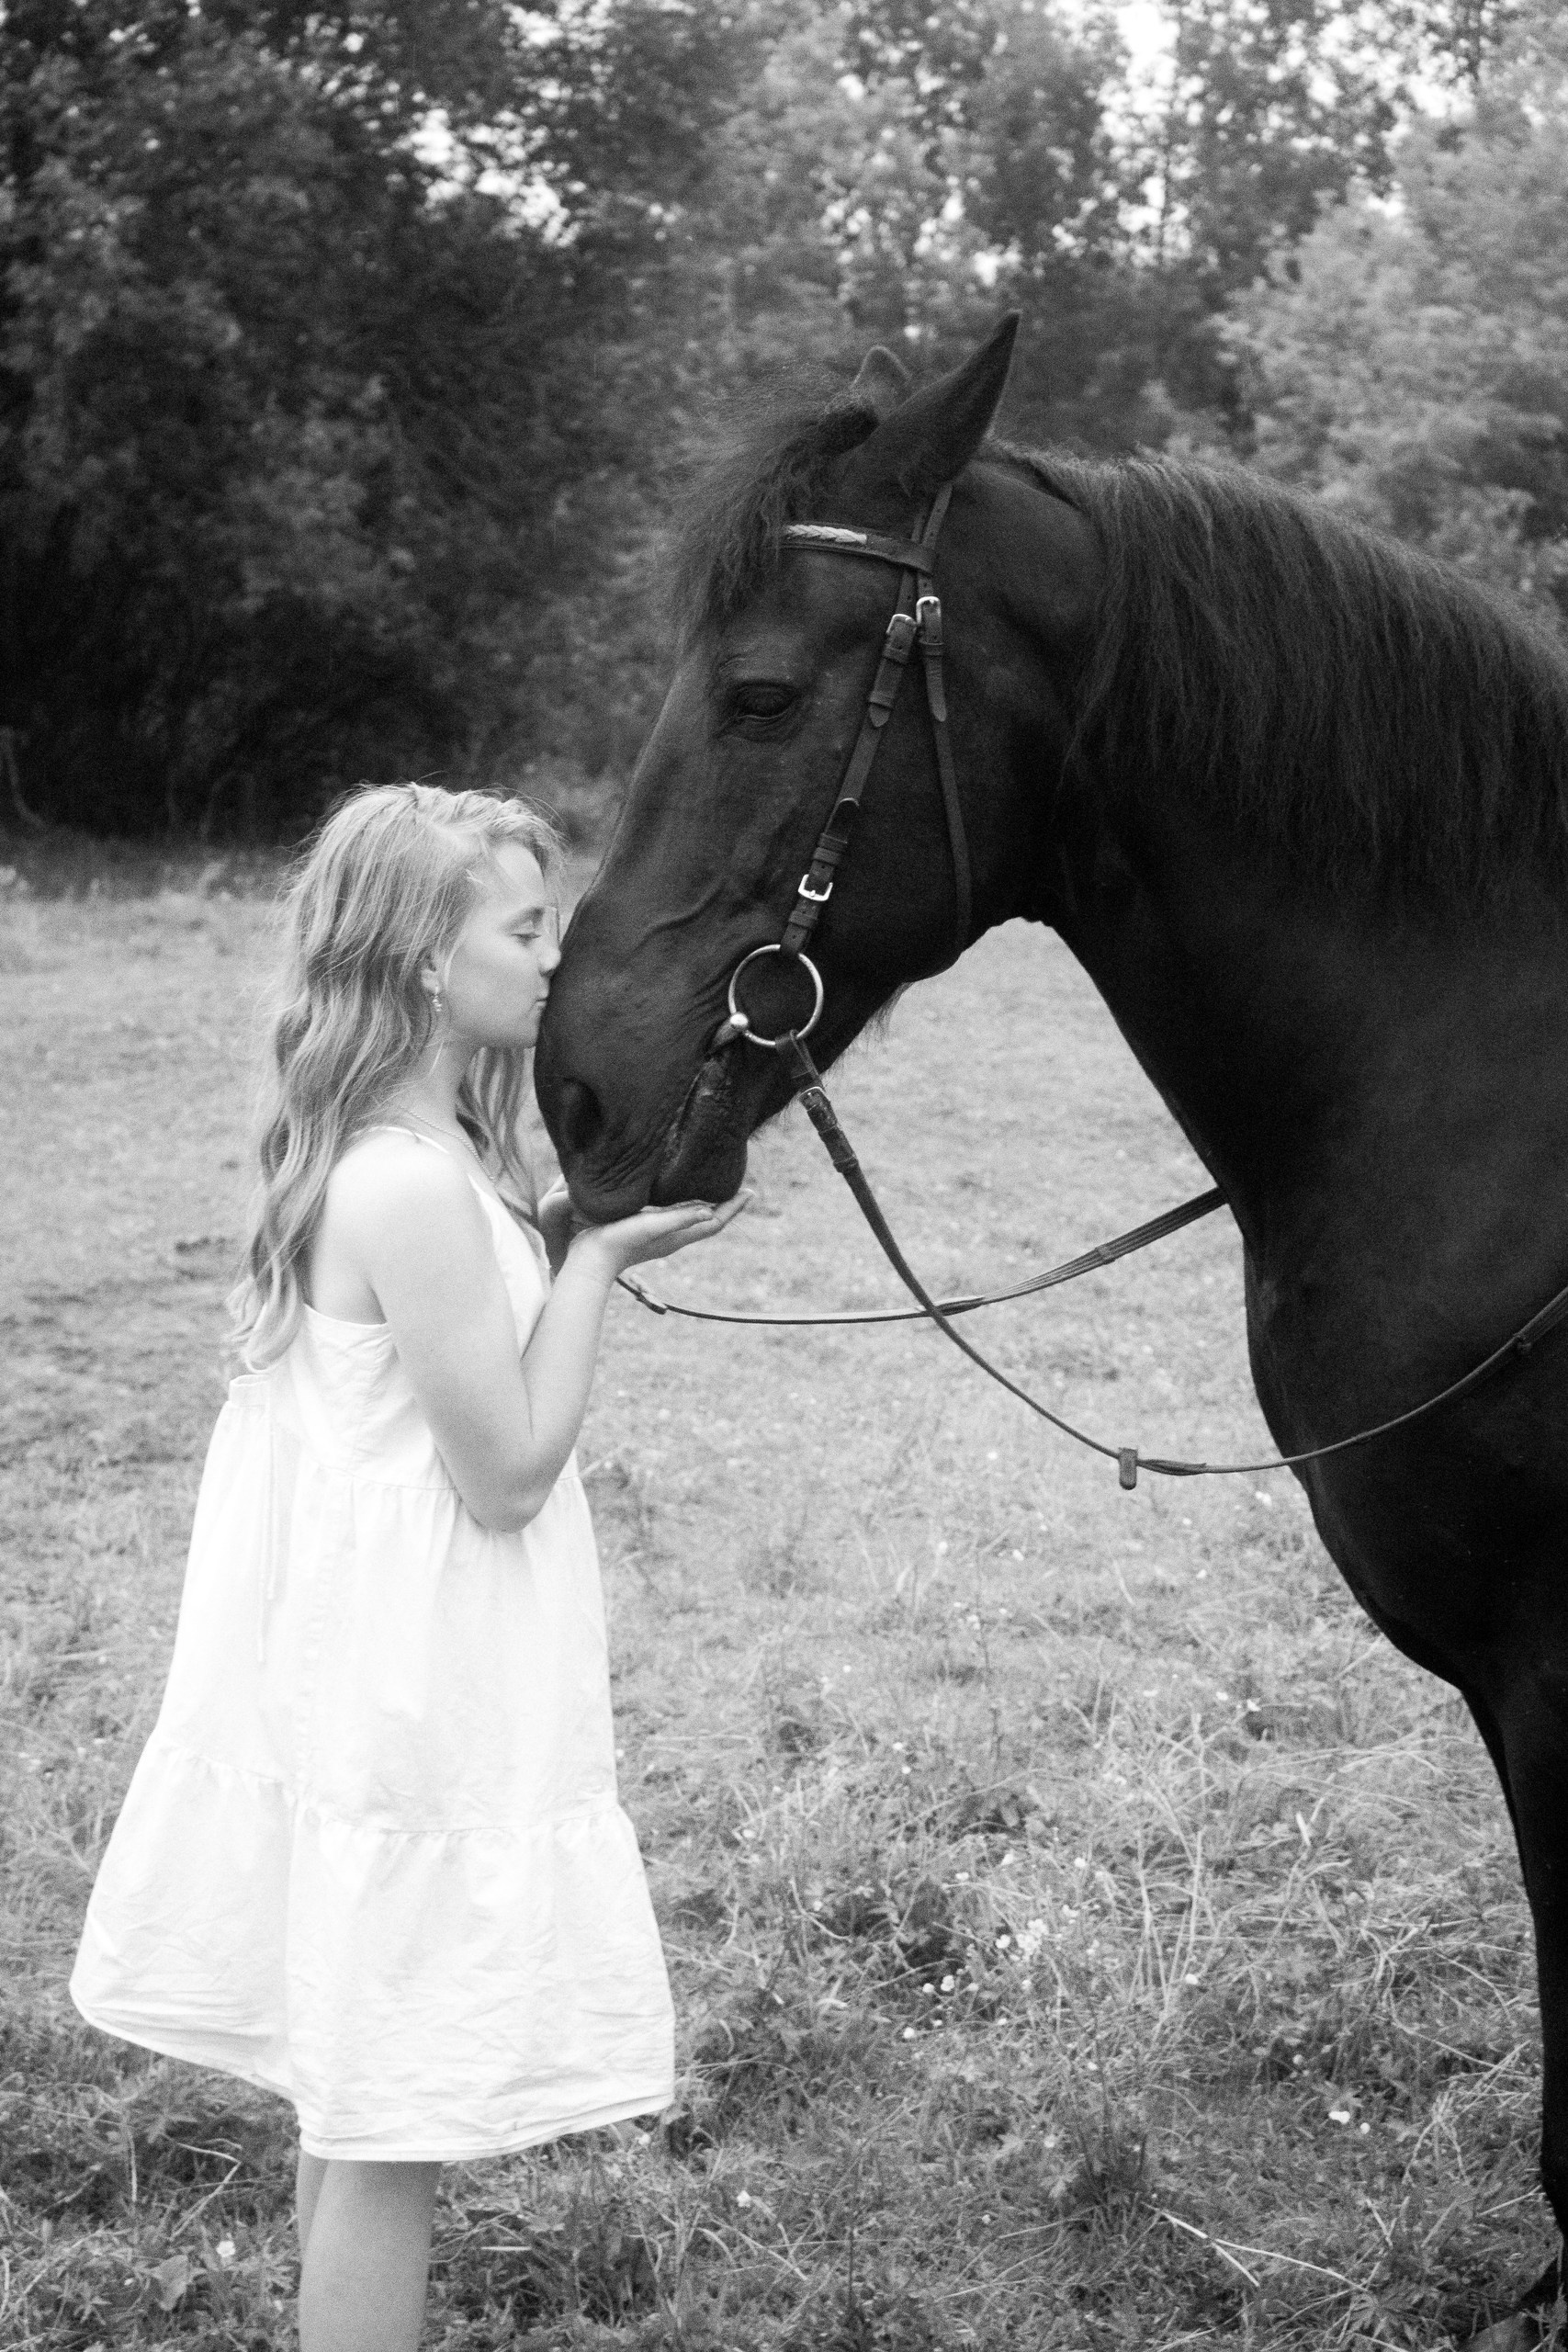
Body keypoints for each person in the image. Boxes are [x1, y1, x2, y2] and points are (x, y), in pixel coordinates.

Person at [69, 783, 745, 2352]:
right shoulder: (411, 1181)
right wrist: (597, 1263)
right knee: (387, 2128)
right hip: (411, 1690)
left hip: (380, 1663)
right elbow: (506, 1471)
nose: (556, 959)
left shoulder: (429, 1147)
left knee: (358, 2092)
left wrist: (568, 1227)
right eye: (525, 929)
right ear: (431, 967)